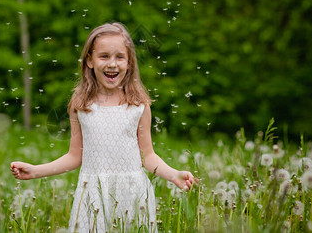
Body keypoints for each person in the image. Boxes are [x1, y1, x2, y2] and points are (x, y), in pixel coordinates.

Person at [11, 22, 198, 232]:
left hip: (133, 194)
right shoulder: (80, 105)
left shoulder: (138, 105)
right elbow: (75, 156)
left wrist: (173, 174)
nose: (112, 64)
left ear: (129, 63)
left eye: (120, 57)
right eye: (104, 56)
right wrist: (36, 171)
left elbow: (147, 155)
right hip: (92, 195)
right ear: (89, 60)